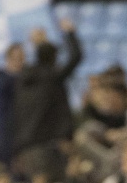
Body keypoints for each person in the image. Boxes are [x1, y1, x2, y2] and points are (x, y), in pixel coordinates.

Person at [11, 19, 82, 171]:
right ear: (54, 57)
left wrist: (38, 44)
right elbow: (75, 57)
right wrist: (69, 33)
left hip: (28, 144)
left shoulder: (23, 78)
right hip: (53, 143)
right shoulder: (52, 76)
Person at [0, 43, 25, 170]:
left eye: (21, 58)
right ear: (8, 59)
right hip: (8, 138)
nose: (19, 62)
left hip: (25, 137)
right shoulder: (0, 79)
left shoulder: (27, 78)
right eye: (15, 58)